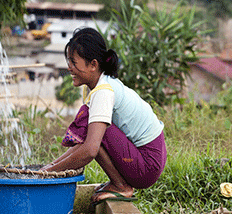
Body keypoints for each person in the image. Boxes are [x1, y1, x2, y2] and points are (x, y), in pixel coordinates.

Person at [41, 27, 167, 205]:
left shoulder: (103, 92)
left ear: (93, 65)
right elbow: (84, 143)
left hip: (147, 165)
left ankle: (121, 186)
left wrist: (51, 172)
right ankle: (118, 183)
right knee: (94, 129)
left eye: (73, 62)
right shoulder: (99, 85)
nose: (69, 67)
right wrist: (50, 167)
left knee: (97, 133)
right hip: (147, 159)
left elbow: (90, 149)